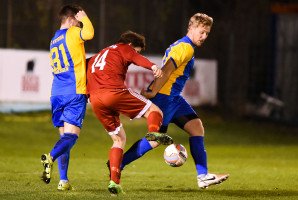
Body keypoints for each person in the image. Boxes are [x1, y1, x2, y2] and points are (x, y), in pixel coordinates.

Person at [121, 13, 229, 189]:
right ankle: (118, 164)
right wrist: (152, 90)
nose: (204, 36)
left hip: (174, 98)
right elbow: (167, 69)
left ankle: (203, 176)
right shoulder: (185, 48)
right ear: (191, 28)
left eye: (207, 33)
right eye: (202, 32)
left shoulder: (184, 46)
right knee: (154, 140)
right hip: (165, 97)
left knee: (196, 127)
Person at [86, 30, 173, 195]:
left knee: (119, 139)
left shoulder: (99, 55)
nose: (135, 54)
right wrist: (153, 66)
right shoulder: (123, 47)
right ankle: (153, 133)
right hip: (113, 91)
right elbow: (136, 58)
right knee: (155, 111)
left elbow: (84, 72)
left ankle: (114, 181)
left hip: (96, 100)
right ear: (131, 45)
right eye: (137, 50)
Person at [40, 4, 94, 191]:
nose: (79, 25)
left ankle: (63, 180)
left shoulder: (54, 39)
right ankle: (50, 157)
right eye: (77, 22)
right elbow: (89, 33)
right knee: (71, 136)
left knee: (64, 138)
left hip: (57, 93)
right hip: (74, 91)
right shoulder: (72, 33)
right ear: (71, 20)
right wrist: (85, 17)